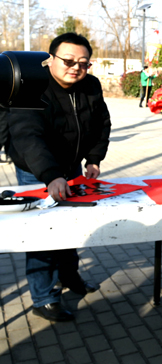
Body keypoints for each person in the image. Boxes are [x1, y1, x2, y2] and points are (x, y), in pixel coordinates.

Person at [7, 32, 111, 322]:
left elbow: (102, 122)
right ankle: (43, 297)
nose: (75, 67)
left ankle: (70, 278)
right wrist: (51, 175)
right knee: (43, 234)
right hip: (36, 171)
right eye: (67, 60)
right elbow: (29, 137)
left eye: (83, 62)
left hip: (72, 168)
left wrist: (93, 159)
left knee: (69, 228)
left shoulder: (90, 86)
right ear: (50, 59)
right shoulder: (32, 85)